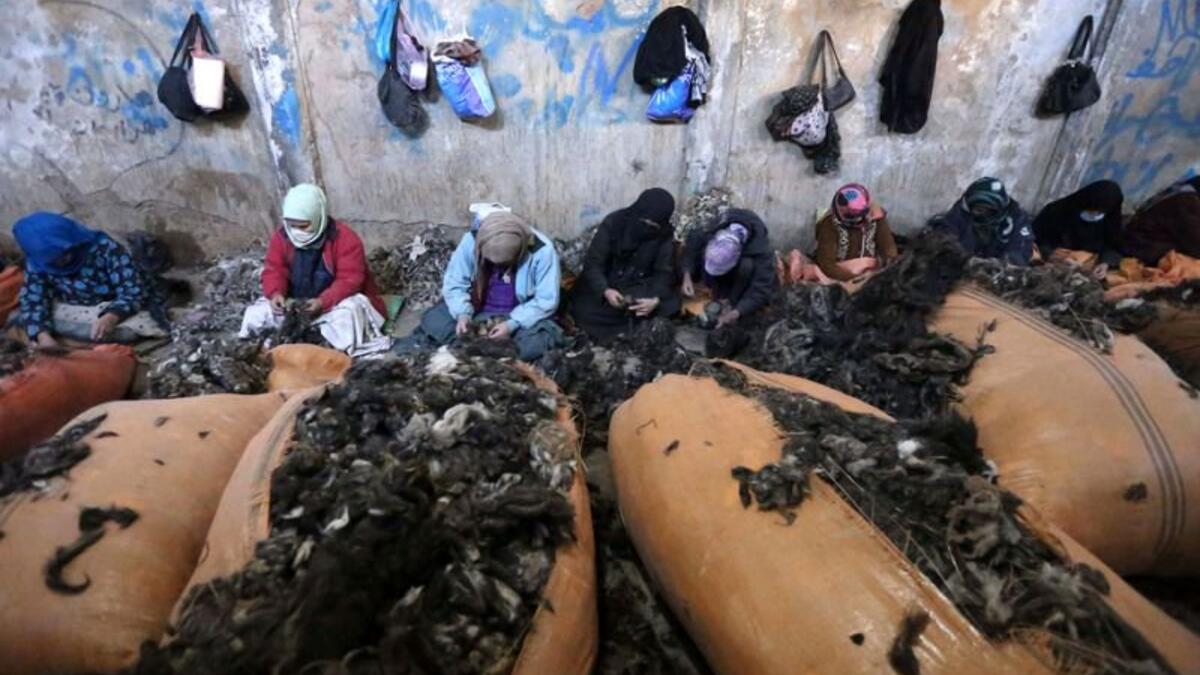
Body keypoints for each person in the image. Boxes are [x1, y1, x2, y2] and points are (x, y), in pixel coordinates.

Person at [239, 184, 390, 357]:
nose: (297, 231)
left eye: (303, 226)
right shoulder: (282, 237)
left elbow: (350, 280)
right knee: (255, 315)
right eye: (292, 225)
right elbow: (274, 269)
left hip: (334, 307)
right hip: (296, 304)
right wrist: (276, 294)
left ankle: (320, 348)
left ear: (318, 218)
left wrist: (322, 302)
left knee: (347, 318)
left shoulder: (345, 239)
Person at [396, 209, 564, 361]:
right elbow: (455, 284)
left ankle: (474, 351)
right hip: (478, 312)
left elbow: (546, 301)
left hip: (521, 316)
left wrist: (512, 324)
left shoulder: (542, 251)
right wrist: (462, 314)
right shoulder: (471, 240)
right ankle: (486, 351)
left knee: (537, 342)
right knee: (433, 321)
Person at [13, 212, 166, 347]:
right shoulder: (38, 263)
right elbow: (34, 299)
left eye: (66, 252)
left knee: (129, 331)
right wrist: (42, 335)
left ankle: (80, 341)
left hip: (116, 305)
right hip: (80, 310)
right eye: (56, 260)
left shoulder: (104, 247)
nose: (65, 260)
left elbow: (133, 290)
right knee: (21, 320)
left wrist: (112, 316)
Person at [570, 188, 680, 343]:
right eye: (644, 222)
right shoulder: (614, 223)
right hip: (608, 283)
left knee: (669, 303)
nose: (647, 228)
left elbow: (663, 272)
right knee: (584, 310)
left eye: (653, 226)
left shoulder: (664, 235)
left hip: (638, 286)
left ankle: (635, 323)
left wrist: (655, 299)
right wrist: (605, 291)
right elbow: (594, 263)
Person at [681, 208, 774, 327]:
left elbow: (761, 289)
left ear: (738, 255)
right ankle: (714, 291)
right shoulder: (710, 225)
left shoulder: (761, 249)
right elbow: (692, 244)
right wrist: (687, 274)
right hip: (715, 267)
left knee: (747, 266)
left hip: (737, 277)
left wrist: (737, 312)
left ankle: (730, 300)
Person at [929, 177, 1035, 265]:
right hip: (962, 269)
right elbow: (944, 241)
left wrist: (996, 265)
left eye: (988, 210)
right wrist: (966, 260)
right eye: (978, 209)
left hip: (999, 273)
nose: (981, 214)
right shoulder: (959, 214)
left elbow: (1022, 250)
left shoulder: (1016, 219)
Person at [813, 183, 899, 282]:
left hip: (871, 271)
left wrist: (883, 270)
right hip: (840, 273)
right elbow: (826, 263)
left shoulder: (876, 216)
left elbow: (888, 248)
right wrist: (854, 280)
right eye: (851, 216)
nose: (856, 220)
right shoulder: (829, 224)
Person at [1032, 180, 1124, 266]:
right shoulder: (1056, 211)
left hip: (1088, 263)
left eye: (1100, 212)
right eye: (1091, 209)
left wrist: (1105, 264)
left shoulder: (1111, 221)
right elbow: (1037, 237)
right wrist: (1051, 256)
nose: (1094, 214)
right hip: (1054, 257)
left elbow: (1113, 246)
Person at [1121, 177, 1200, 266]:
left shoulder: (1182, 193)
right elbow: (1196, 243)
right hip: (1142, 248)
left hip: (1143, 243)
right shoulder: (1187, 203)